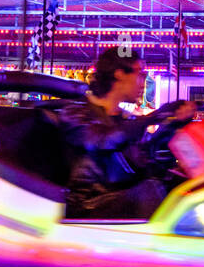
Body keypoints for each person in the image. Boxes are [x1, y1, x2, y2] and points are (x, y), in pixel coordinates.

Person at [52, 47, 194, 219]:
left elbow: (148, 160)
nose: (144, 82)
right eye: (140, 74)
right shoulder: (75, 113)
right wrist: (153, 117)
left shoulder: (126, 120)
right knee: (149, 190)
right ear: (120, 74)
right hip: (88, 207)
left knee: (182, 189)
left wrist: (172, 124)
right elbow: (101, 140)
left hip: (122, 201)